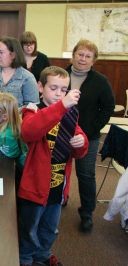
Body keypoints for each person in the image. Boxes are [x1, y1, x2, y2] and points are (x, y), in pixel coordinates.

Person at [18, 66, 88, 266]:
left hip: (57, 187)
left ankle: (43, 256)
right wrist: (61, 106)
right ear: (40, 87)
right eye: (54, 88)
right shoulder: (32, 110)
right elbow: (29, 132)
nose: (59, 94)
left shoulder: (69, 113)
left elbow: (79, 143)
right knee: (29, 229)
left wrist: (81, 142)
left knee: (50, 228)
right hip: (35, 188)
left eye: (64, 90)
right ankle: (25, 259)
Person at [66, 39, 115, 232]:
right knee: (58, 171)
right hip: (60, 133)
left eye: (88, 56)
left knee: (86, 175)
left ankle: (86, 213)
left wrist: (93, 129)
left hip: (88, 137)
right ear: (73, 55)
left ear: (93, 60)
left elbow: (108, 107)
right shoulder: (60, 75)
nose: (83, 59)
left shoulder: (100, 81)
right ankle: (59, 199)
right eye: (80, 54)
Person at [0, 36, 39, 110]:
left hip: (17, 121)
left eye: (1, 52)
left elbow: (32, 108)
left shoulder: (27, 78)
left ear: (13, 55)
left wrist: (12, 113)